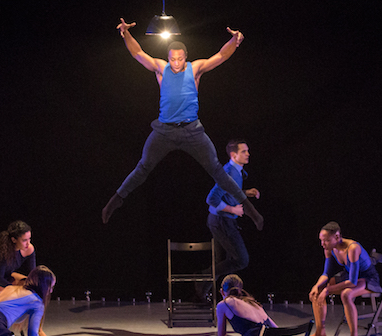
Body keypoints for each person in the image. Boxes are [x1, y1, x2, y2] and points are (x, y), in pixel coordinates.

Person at [101, 18, 264, 230]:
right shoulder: (161, 68)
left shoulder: (195, 69)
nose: (176, 63)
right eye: (172, 59)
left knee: (217, 170)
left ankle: (250, 210)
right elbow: (137, 53)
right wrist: (126, 33)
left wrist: (235, 41)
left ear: (185, 57)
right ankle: (115, 201)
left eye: (179, 59)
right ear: (168, 58)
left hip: (192, 131)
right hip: (164, 132)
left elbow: (221, 56)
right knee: (143, 167)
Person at [308, 222, 382, 336]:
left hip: (367, 278)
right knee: (317, 291)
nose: (323, 244)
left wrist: (328, 289)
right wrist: (317, 285)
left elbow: (352, 282)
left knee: (346, 294)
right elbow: (326, 273)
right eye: (321, 240)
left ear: (337, 237)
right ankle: (320, 333)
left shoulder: (352, 248)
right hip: (349, 276)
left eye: (326, 240)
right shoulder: (329, 249)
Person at [200, 139, 260, 300]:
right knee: (241, 259)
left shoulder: (236, 171)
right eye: (243, 151)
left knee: (225, 260)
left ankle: (204, 292)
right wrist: (233, 209)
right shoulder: (229, 172)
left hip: (222, 221)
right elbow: (211, 198)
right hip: (221, 221)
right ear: (233, 155)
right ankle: (203, 278)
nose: (248, 154)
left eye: (247, 150)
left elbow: (229, 191)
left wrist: (245, 192)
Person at [0, 220, 51, 336]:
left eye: (29, 239)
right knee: (2, 293)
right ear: (14, 240)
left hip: (7, 275)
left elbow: (33, 275)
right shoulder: (2, 250)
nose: (28, 243)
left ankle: (38, 329)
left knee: (39, 288)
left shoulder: (29, 249)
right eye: (24, 240)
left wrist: (29, 287)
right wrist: (17, 290)